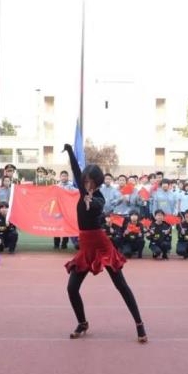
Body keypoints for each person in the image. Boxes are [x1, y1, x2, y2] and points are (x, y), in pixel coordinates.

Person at [62, 144, 146, 343]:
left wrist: (91, 202)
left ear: (97, 182)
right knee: (72, 288)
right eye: (85, 180)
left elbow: (97, 206)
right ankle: (82, 323)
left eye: (90, 181)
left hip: (101, 245)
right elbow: (75, 170)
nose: (86, 183)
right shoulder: (82, 190)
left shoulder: (98, 198)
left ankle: (140, 324)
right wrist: (70, 151)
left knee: (121, 285)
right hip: (86, 247)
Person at [54, 170, 76, 250]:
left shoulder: (71, 186)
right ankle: (56, 244)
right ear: (60, 177)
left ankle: (64, 244)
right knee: (56, 226)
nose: (64, 177)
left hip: (67, 210)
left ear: (67, 177)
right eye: (62, 176)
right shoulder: (56, 186)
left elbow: (76, 192)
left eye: (65, 176)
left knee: (66, 227)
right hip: (58, 209)